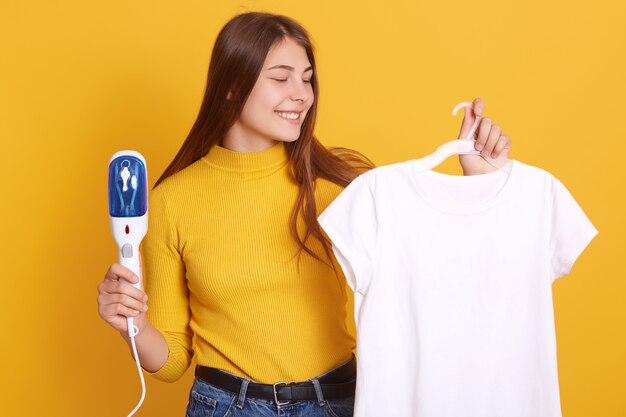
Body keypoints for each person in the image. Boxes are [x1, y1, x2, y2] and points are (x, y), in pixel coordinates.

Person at [97, 12, 512, 417]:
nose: (302, 94)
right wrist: (130, 324)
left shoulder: (339, 188)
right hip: (225, 406)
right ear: (230, 86)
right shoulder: (172, 202)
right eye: (280, 78)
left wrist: (478, 181)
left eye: (307, 79)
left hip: (338, 401)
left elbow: (442, 276)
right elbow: (171, 361)